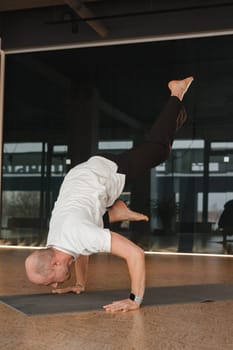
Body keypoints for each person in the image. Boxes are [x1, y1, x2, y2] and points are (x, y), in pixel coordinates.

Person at [25, 76, 194, 312]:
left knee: (158, 150)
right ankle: (115, 212)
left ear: (54, 262)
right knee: (93, 222)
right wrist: (80, 284)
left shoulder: (78, 234)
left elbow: (136, 254)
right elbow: (81, 251)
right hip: (80, 178)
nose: (54, 284)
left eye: (51, 280)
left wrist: (134, 300)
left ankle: (177, 93)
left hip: (103, 174)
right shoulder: (57, 241)